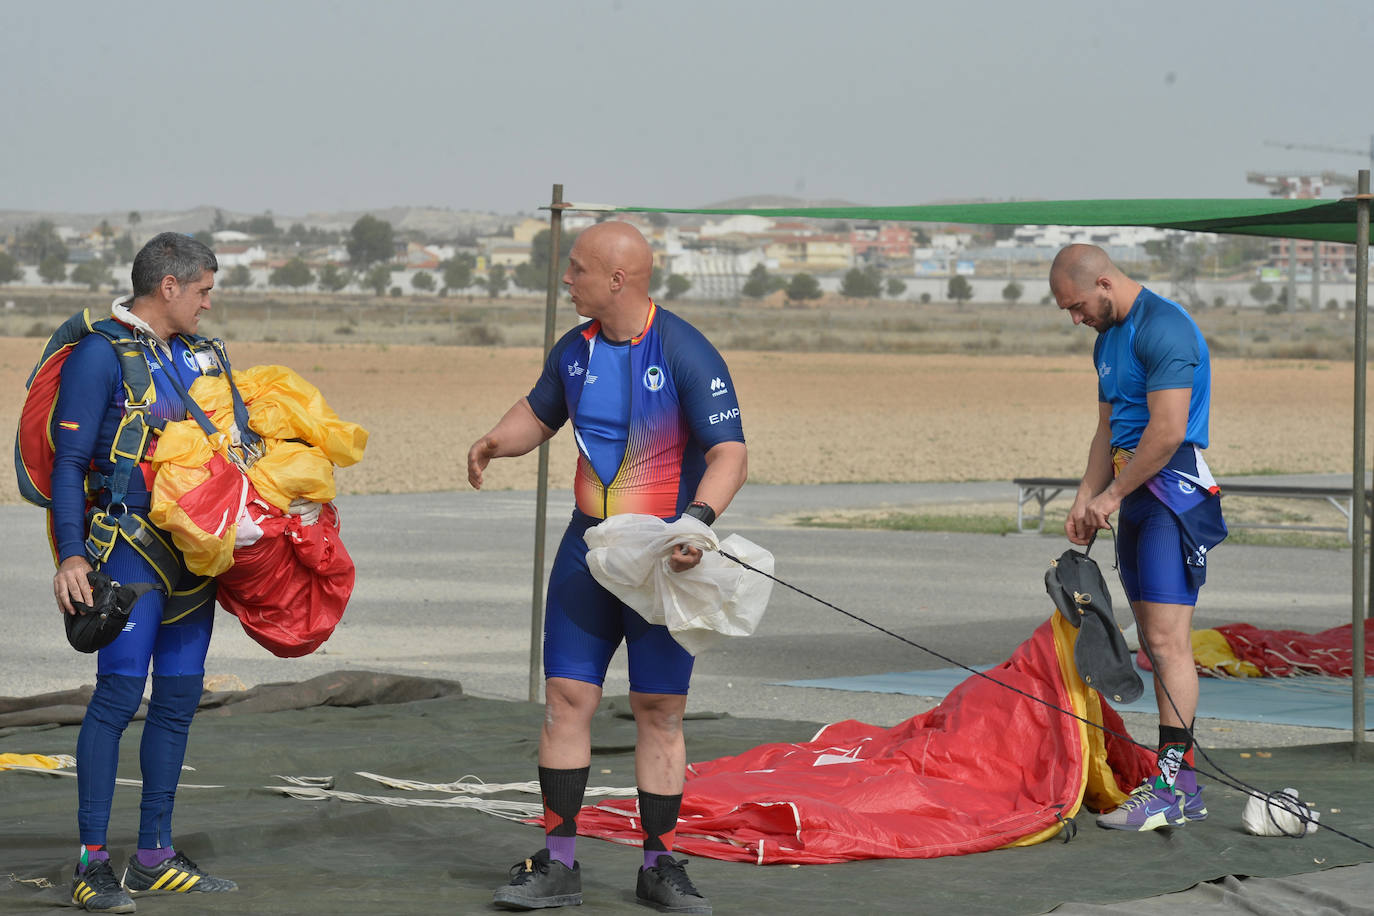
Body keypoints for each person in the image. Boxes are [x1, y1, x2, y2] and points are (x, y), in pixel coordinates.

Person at [468, 221, 746, 913]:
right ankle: (558, 862)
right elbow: (541, 413)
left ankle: (660, 865)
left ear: (618, 279)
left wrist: (698, 527)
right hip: (586, 549)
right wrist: (497, 442)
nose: (567, 279)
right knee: (567, 700)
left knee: (660, 710)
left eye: (578, 270)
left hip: (663, 555)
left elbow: (729, 455)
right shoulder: (575, 351)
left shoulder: (685, 350)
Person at [53, 233, 238, 912]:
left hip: (195, 560)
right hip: (127, 555)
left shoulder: (199, 356)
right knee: (116, 699)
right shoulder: (100, 355)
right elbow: (70, 464)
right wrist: (73, 554)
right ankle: (90, 863)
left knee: (179, 700)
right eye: (203, 291)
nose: (208, 304)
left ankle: (154, 855)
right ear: (169, 287)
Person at [1050, 243, 1226, 833]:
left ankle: (1178, 787)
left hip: (1169, 492)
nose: (1077, 320)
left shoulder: (1166, 327)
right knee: (1152, 640)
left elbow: (1168, 429)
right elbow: (1107, 430)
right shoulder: (1107, 341)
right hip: (1133, 491)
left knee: (1168, 642)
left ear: (1104, 282)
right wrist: (1085, 495)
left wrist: (1114, 495)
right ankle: (1176, 782)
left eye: (1078, 306)